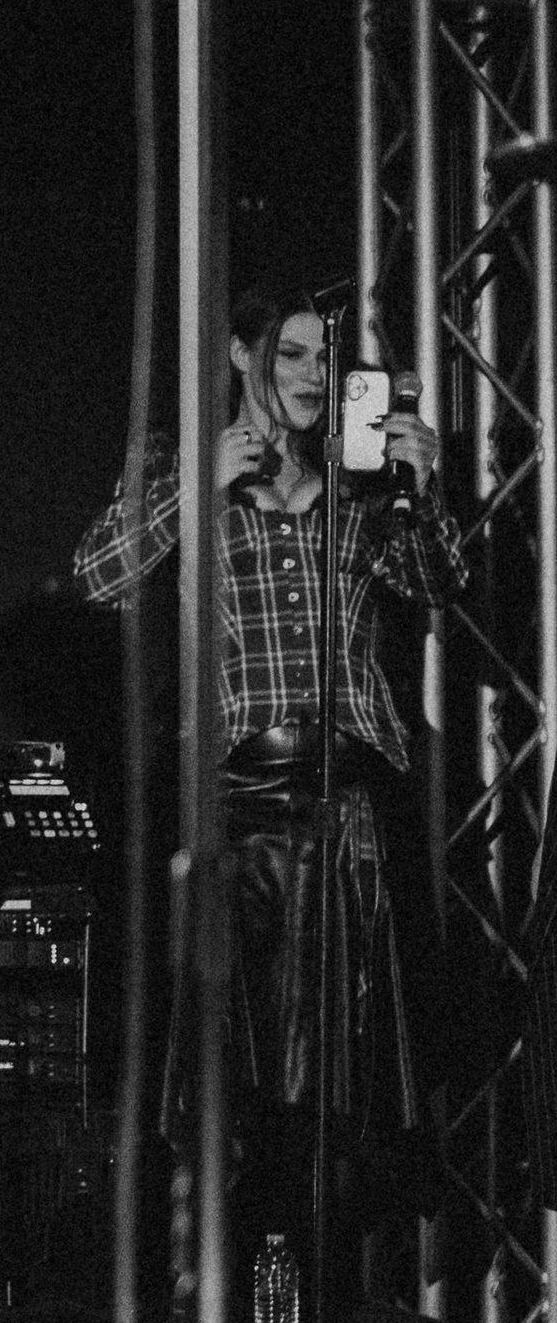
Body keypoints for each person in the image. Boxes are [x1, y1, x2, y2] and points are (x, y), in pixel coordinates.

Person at [73, 288, 465, 1224]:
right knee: (237, 1085)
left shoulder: (363, 484)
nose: (313, 378)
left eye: (327, 361)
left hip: (347, 803)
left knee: (344, 1080)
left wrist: (424, 486)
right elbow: (97, 575)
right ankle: (247, 1295)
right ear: (245, 356)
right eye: (292, 355)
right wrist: (194, 485)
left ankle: (332, 1303)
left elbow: (438, 583)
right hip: (241, 800)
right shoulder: (185, 466)